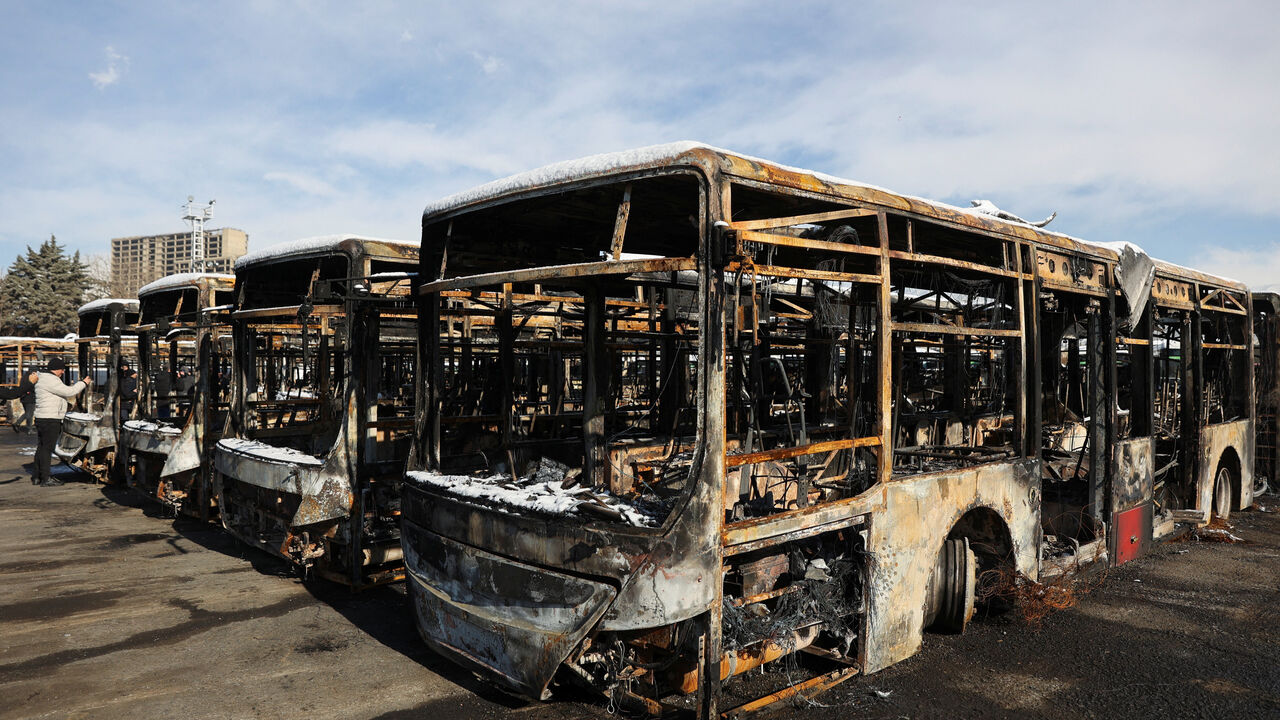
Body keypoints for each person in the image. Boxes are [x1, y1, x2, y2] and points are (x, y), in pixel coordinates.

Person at [32, 357, 91, 487]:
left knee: (41, 447)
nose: (63, 372)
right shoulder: (50, 379)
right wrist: (83, 383)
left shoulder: (43, 378)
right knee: (47, 449)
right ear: (56, 369)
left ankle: (37, 476)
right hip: (50, 419)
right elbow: (69, 391)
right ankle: (46, 478)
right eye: (62, 370)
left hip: (43, 418)